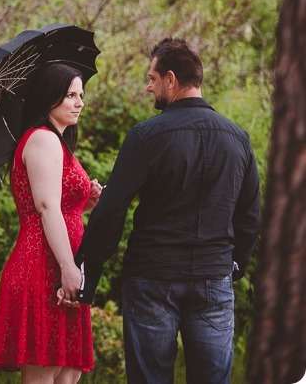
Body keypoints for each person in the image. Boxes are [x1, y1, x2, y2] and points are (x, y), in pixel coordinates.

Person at [76, 38, 261, 384]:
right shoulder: (238, 139)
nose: (148, 86)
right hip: (213, 279)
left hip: (152, 279)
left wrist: (88, 271)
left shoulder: (147, 136)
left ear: (171, 80)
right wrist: (231, 267)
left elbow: (113, 208)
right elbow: (250, 215)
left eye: (152, 78)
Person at [0, 63, 102, 383]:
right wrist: (68, 267)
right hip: (43, 265)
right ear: (49, 98)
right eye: (70, 95)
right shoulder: (42, 139)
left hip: (60, 262)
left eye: (81, 95)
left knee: (68, 373)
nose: (80, 102)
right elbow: (45, 207)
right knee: (45, 374)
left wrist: (84, 203)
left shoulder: (57, 142)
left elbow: (60, 205)